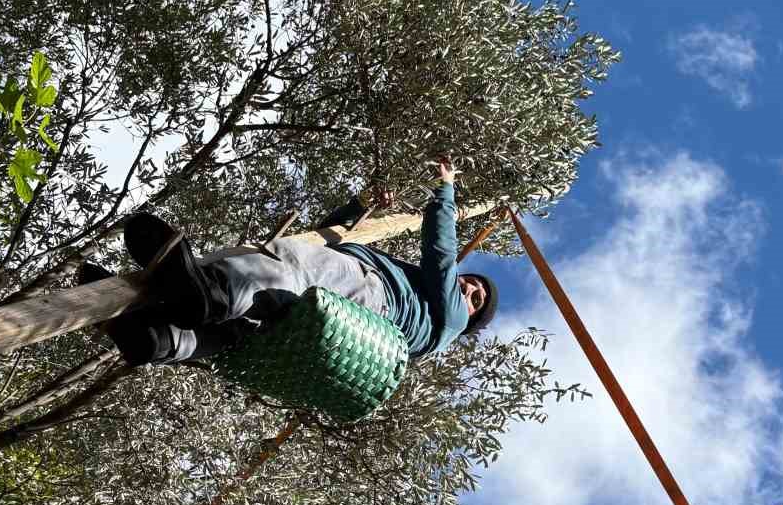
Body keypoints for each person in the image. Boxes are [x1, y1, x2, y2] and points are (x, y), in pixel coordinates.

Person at [80, 156, 498, 368]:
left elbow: (442, 259)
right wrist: (360, 206)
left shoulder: (448, 318)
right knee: (246, 328)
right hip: (345, 326)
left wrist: (446, 191)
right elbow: (329, 243)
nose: (469, 289)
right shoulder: (420, 314)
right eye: (473, 283)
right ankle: (158, 338)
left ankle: (214, 293)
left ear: (470, 316)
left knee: (285, 262)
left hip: (375, 299)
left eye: (476, 298)